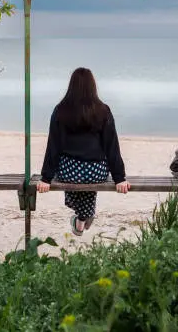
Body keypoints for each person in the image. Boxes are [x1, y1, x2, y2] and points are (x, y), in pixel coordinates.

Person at [37, 67, 129, 236]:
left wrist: (46, 178)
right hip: (97, 171)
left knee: (74, 174)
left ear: (71, 86)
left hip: (69, 170)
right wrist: (119, 178)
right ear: (93, 87)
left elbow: (54, 145)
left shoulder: (60, 110)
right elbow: (111, 145)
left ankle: (82, 218)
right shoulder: (103, 110)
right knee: (87, 178)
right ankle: (83, 218)